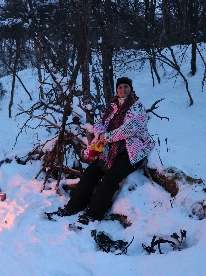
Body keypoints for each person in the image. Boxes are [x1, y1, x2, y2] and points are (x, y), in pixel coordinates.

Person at [48, 77, 155, 226]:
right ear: (117, 90)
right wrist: (100, 134)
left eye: (126, 87)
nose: (123, 90)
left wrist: (108, 136)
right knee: (90, 173)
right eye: (120, 88)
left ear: (131, 89)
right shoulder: (113, 107)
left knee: (110, 177)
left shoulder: (137, 107)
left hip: (132, 152)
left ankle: (93, 214)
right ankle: (73, 207)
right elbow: (100, 123)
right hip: (111, 151)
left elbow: (130, 128)